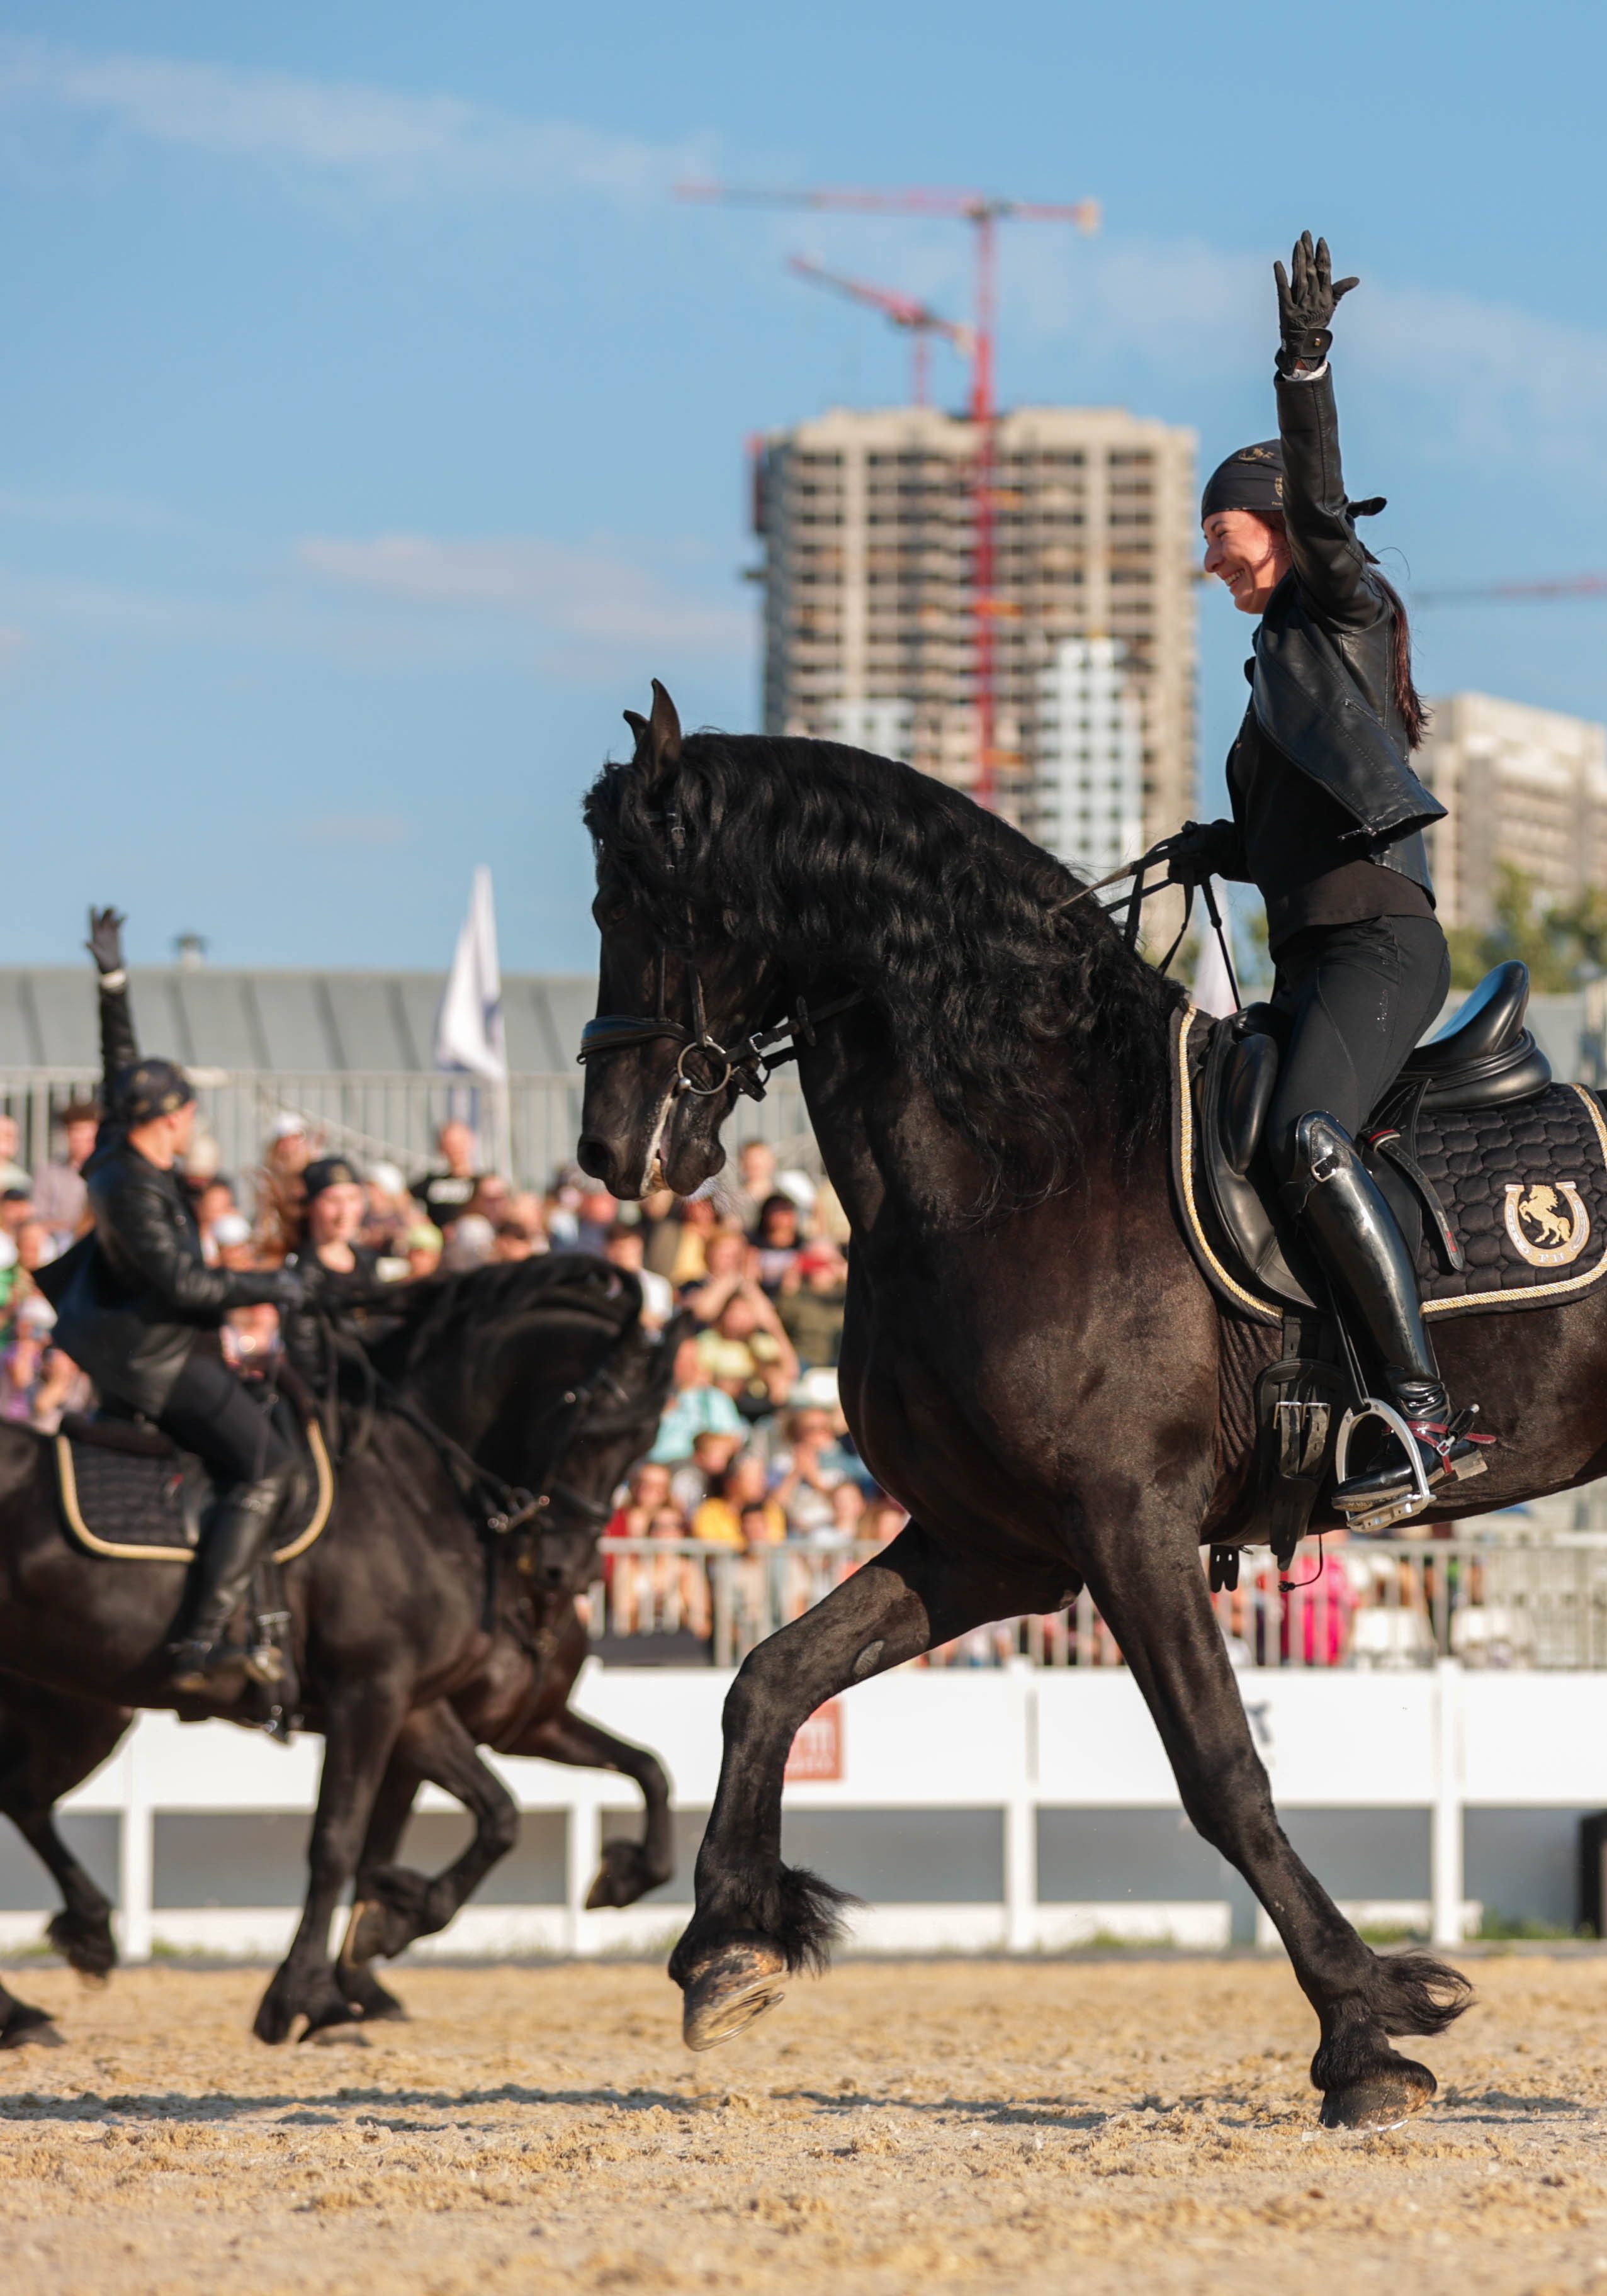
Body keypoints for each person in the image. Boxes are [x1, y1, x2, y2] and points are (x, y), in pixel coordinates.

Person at [1171, 232, 1487, 1509]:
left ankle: (1421, 1413)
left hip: (1375, 948)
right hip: (1308, 957)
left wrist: (1302, 370)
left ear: (1277, 529)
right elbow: (1296, 840)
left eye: (1220, 536)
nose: (1209, 563)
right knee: (1234, 1142)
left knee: (1306, 1140)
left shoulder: (1333, 610)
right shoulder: (1272, 674)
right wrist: (1223, 848)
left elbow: (1318, 506)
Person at [45, 909, 304, 1691]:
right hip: (154, 1359)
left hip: (145, 1342)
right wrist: (277, 1282)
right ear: (165, 1121)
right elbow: (187, 1286)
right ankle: (198, 1644)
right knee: (268, 1464)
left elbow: (118, 1066)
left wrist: (113, 983)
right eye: (187, 1109)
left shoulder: (123, 1144)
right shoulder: (129, 1186)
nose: (194, 1118)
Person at [31, 1100, 100, 1247]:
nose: (82, 1140)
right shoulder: (49, 1172)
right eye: (77, 1132)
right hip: (58, 1243)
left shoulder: (108, 1171)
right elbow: (38, 1218)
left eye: (88, 1134)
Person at [412, 1119, 483, 1238]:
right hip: (436, 1242)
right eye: (449, 1144)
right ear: (441, 1147)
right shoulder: (430, 1182)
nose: (454, 1149)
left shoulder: (483, 1183)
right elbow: (404, 1199)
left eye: (459, 1144)